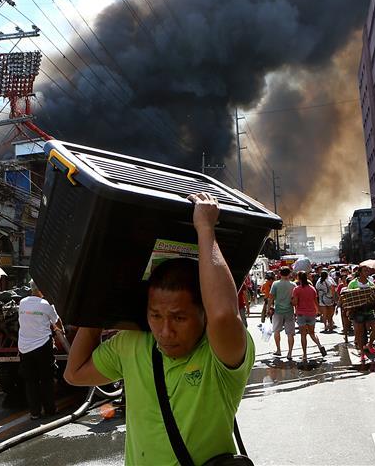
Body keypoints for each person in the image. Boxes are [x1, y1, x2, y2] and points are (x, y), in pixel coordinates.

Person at [64, 192, 255, 465]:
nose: (165, 331)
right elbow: (75, 373)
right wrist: (99, 304)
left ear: (204, 313)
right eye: (155, 315)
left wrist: (205, 228)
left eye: (179, 318)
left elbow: (224, 314)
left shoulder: (220, 354)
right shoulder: (131, 343)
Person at [17, 280, 63, 419]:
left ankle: (34, 413)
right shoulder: (46, 305)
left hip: (24, 347)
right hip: (42, 345)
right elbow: (57, 322)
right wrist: (61, 331)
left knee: (31, 381)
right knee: (46, 379)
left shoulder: (22, 303)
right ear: (42, 289)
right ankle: (50, 410)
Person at [291, 271, 326, 362]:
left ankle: (305, 354)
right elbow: (315, 301)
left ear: (298, 278)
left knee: (303, 335)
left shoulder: (297, 289)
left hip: (301, 314)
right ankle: (319, 345)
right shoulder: (312, 289)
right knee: (312, 333)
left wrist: (291, 302)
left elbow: (295, 302)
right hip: (311, 313)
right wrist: (319, 311)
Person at [348, 266, 375, 359]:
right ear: (360, 272)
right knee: (359, 332)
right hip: (358, 311)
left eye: (368, 271)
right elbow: (349, 298)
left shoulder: (371, 283)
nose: (367, 272)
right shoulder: (353, 283)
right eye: (365, 270)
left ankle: (370, 344)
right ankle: (362, 352)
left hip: (369, 310)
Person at [268, 267, 296, 359]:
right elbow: (295, 299)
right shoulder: (293, 285)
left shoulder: (275, 284)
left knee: (276, 331)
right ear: (289, 274)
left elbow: (271, 297)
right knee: (290, 333)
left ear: (280, 274)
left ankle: (278, 350)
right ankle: (290, 353)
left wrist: (269, 308)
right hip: (289, 311)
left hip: (278, 311)